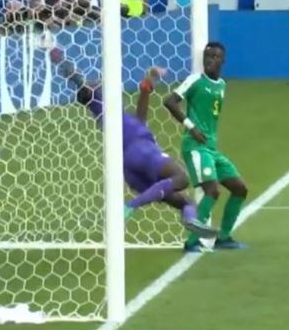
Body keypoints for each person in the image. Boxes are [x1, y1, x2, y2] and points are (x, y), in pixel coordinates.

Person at [57, 54, 217, 239]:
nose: (97, 82)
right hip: (142, 151)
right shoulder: (100, 104)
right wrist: (54, 51)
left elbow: (141, 114)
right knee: (181, 178)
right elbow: (76, 77)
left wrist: (149, 78)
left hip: (130, 169)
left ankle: (190, 220)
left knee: (184, 202)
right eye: (95, 84)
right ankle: (130, 206)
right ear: (92, 93)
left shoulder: (116, 118)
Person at [164, 42, 249, 253]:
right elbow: (170, 101)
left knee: (240, 189)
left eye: (215, 56)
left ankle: (224, 237)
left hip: (211, 148)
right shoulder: (195, 80)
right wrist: (190, 127)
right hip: (194, 146)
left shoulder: (221, 85)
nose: (210, 59)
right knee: (212, 190)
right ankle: (192, 241)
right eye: (207, 55)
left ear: (223, 60)